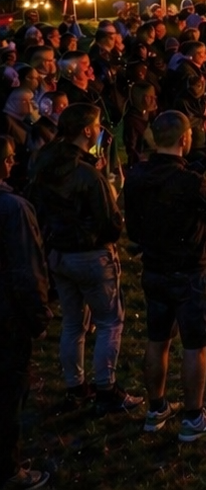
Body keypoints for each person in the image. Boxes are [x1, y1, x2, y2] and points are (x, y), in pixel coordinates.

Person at [122, 110, 206, 439]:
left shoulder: (138, 175)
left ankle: (155, 409)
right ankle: (193, 417)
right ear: (185, 139)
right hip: (189, 274)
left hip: (154, 268)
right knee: (194, 346)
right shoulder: (189, 182)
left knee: (157, 340)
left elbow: (137, 222)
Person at [25, 103, 140, 415]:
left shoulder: (44, 164)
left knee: (74, 323)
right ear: (87, 130)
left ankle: (76, 386)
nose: (101, 129)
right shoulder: (87, 176)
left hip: (59, 255)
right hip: (91, 256)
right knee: (108, 321)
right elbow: (111, 223)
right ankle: (106, 388)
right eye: (98, 124)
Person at [1, 137, 51, 489]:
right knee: (8, 393)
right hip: (7, 319)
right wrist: (39, 316)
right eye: (9, 158)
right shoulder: (13, 210)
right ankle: (8, 469)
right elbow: (26, 270)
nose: (12, 163)